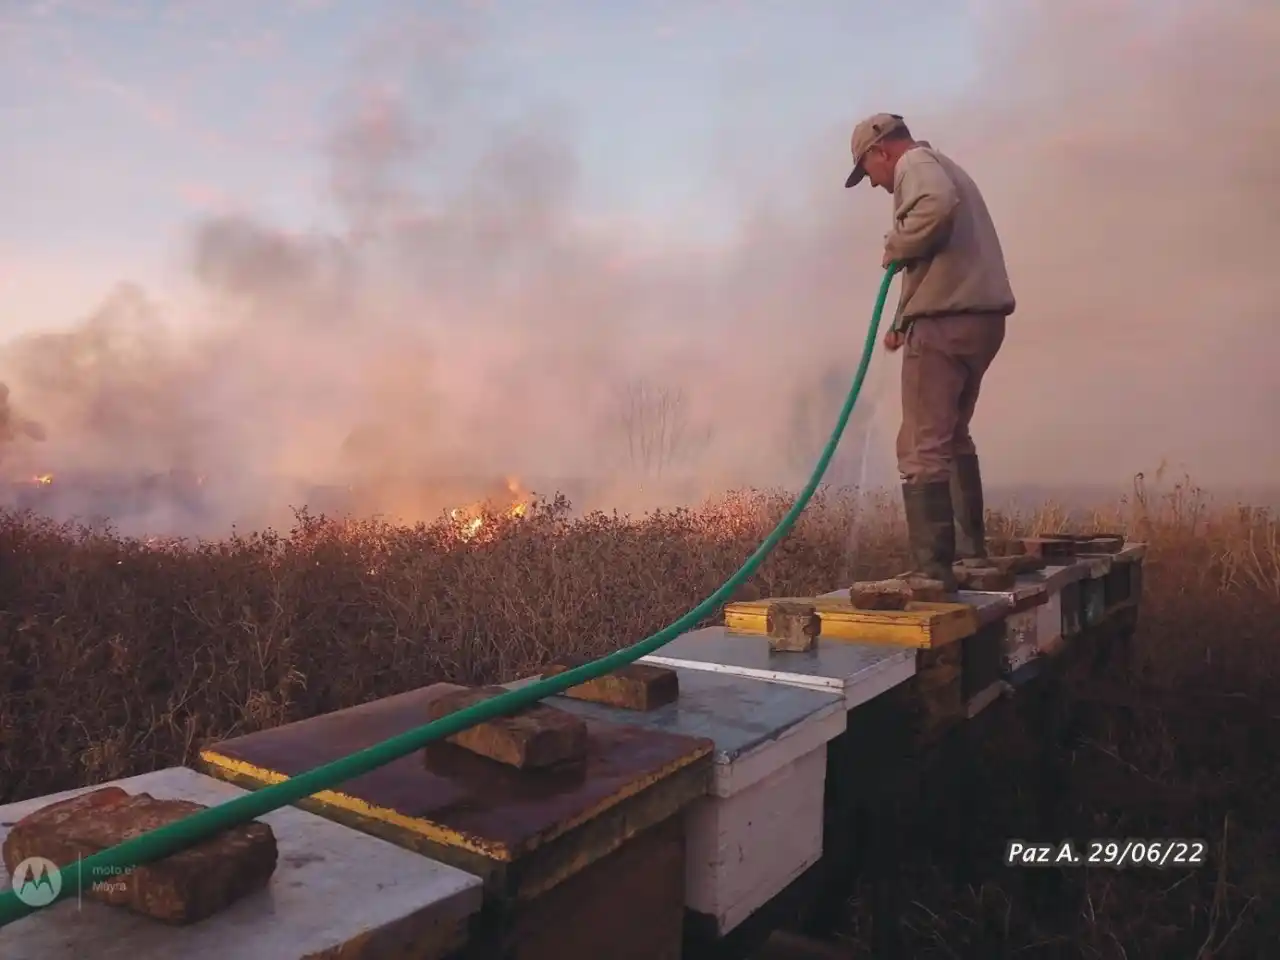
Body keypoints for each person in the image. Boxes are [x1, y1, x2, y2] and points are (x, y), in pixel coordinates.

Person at [844, 113, 1015, 590]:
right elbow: (940, 255)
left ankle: (932, 572)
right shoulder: (944, 163)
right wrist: (902, 319)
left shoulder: (915, 164)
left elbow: (935, 206)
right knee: (952, 436)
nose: (875, 184)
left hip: (946, 323)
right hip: (980, 319)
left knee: (920, 446)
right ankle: (970, 558)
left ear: (882, 151)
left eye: (868, 171)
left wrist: (896, 242)